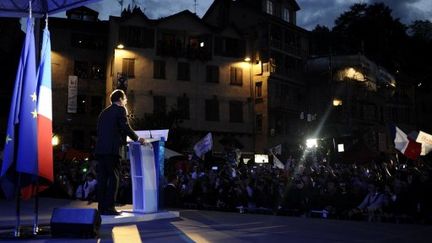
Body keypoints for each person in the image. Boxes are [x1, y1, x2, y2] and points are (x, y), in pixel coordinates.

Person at [95, 89, 145, 215]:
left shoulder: (103, 112)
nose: (126, 101)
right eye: (125, 99)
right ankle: (110, 207)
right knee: (114, 178)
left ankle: (101, 207)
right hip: (112, 150)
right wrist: (138, 139)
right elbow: (125, 127)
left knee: (102, 179)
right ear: (121, 99)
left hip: (100, 150)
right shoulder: (120, 110)